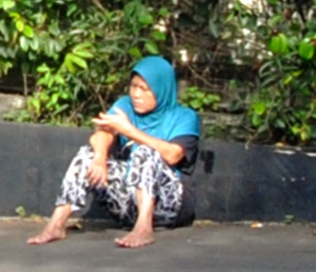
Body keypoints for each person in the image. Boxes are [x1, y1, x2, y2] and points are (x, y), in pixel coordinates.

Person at [34, 54, 200, 249]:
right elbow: (101, 134)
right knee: (88, 154)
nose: (136, 94)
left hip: (167, 205)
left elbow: (174, 154)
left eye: (144, 89)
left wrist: (130, 131)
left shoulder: (184, 116)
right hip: (127, 202)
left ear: (161, 90)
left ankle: (144, 228)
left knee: (145, 152)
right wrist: (99, 158)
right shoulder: (124, 105)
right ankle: (56, 224)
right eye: (133, 86)